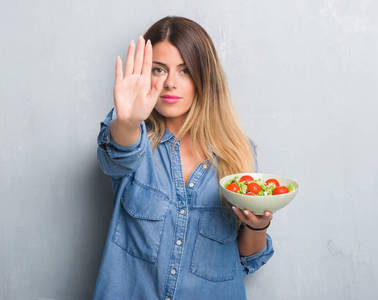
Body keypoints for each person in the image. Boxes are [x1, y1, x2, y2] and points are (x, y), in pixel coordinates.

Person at [93, 16, 274, 300]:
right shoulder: (132, 134)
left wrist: (257, 224)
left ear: (204, 77)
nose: (170, 84)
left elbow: (247, 258)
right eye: (158, 70)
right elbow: (117, 156)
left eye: (185, 71)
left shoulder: (238, 151)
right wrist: (128, 122)